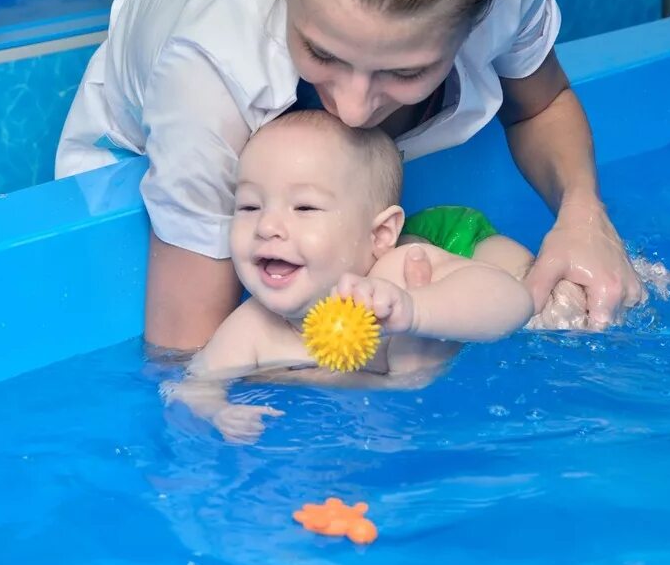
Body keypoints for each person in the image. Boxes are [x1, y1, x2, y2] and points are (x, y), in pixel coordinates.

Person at [55, 0, 645, 351]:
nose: (356, 112)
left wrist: (584, 216)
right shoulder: (208, 73)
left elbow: (540, 104)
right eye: (321, 53)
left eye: (407, 72)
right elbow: (184, 354)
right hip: (156, 146)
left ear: (481, 6)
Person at [163, 110, 585, 443]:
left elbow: (513, 302)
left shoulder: (396, 277)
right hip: (405, 376)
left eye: (305, 208)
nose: (266, 226)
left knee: (557, 305)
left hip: (459, 244)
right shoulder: (251, 329)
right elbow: (190, 387)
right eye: (250, 206)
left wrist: (418, 310)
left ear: (379, 234)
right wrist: (218, 412)